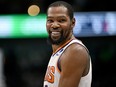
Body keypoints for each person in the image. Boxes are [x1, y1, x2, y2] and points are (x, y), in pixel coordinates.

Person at [43, 1, 92, 87]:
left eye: (61, 20)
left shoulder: (75, 51)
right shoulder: (60, 51)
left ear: (72, 23)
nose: (54, 25)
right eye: (50, 20)